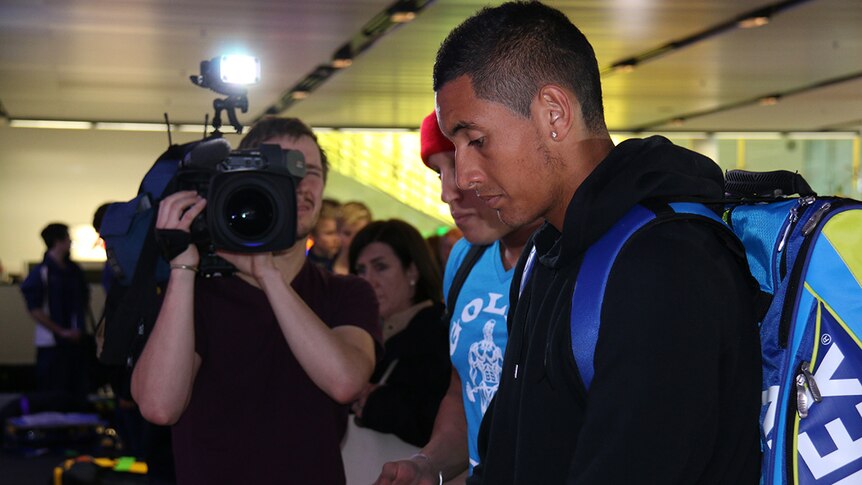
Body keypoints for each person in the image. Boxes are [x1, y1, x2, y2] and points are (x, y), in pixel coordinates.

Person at [432, 2, 762, 484]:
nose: (464, 176)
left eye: (475, 140)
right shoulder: (547, 254)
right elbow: (505, 456)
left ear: (554, 113)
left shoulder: (666, 263)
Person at [130, 116, 381, 485]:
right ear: (243, 180)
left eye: (308, 171)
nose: (296, 184)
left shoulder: (346, 292)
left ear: (324, 185)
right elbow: (159, 406)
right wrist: (182, 266)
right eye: (279, 171)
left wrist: (266, 272)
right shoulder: (196, 294)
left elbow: (345, 382)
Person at [374, 112, 541, 484]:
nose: (448, 192)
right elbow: (464, 389)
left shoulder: (571, 261)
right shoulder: (465, 259)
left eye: (462, 165)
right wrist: (428, 464)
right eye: (440, 173)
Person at [348, 219, 448, 446]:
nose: (367, 280)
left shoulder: (441, 333)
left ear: (412, 270)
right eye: (360, 270)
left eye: (380, 267)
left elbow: (439, 421)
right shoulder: (360, 332)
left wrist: (376, 403)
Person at [20, 223, 92, 398]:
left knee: (75, 392)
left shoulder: (74, 270)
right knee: (53, 394)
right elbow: (34, 308)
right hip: (51, 344)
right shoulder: (42, 272)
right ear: (58, 241)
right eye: (67, 237)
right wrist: (61, 331)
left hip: (75, 341)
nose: (70, 241)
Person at [333, 200, 373, 274]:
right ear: (338, 231)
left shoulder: (369, 273)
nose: (353, 240)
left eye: (359, 234)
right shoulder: (322, 263)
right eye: (347, 233)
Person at [308, 197, 343, 271]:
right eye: (329, 233)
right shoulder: (304, 264)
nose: (337, 238)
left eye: (340, 231)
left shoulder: (345, 261)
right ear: (312, 235)